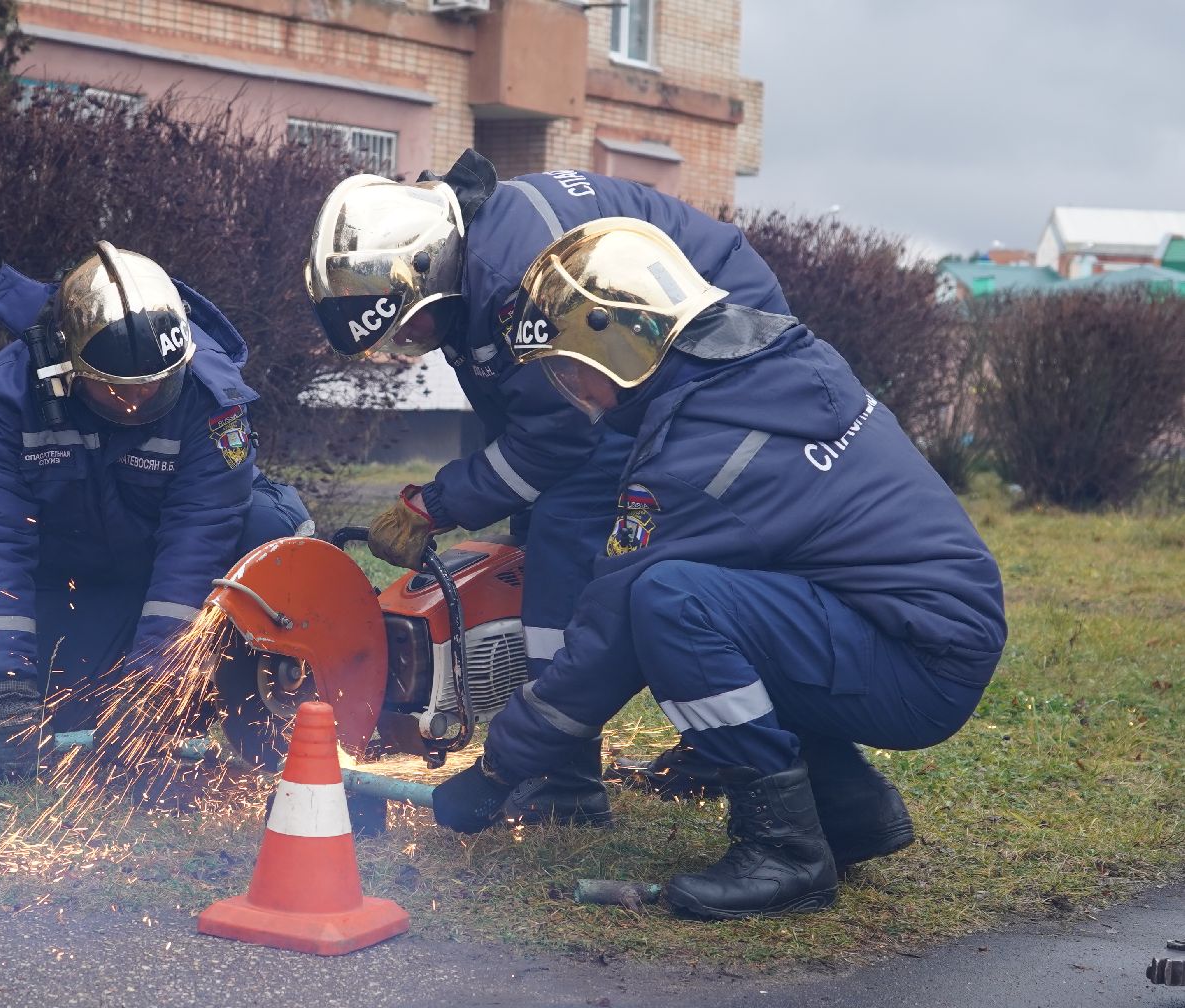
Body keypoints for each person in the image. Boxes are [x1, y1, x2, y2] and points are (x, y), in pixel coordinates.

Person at [430, 218, 1007, 920]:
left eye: (569, 366)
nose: (569, 387)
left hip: (918, 667)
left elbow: (611, 628)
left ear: (618, 343)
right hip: (924, 631)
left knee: (670, 602)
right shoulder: (769, 371)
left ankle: (786, 852)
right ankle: (848, 808)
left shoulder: (706, 453)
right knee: (725, 608)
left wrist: (499, 768)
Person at [304, 149, 790, 824]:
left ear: (426, 267)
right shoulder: (469, 259)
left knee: (569, 536)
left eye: (408, 326)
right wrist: (468, 496)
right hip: (660, 338)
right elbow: (518, 408)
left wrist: (440, 502)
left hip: (715, 334)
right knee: (565, 538)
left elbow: (562, 438)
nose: (410, 342)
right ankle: (699, 745)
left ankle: (564, 776)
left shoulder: (512, 282)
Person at [0, 243, 312, 780]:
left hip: (179, 579)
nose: (139, 401)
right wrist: (4, 685)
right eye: (119, 390)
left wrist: (154, 682)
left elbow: (198, 540)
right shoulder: (5, 396)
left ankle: (248, 695)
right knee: (64, 716)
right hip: (81, 578)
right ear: (66, 366)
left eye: (155, 385)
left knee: (264, 528)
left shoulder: (211, 397)